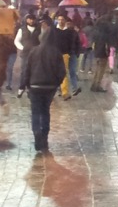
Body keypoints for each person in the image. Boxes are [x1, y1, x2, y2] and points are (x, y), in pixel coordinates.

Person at [17, 15, 66, 153]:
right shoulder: (56, 52)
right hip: (49, 87)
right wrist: (56, 83)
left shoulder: (34, 51)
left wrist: (25, 85)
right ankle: (44, 137)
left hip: (35, 86)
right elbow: (62, 72)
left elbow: (27, 69)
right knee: (45, 112)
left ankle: (37, 135)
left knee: (35, 113)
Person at [54, 12, 83, 100]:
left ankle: (71, 89)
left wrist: (77, 52)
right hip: (59, 54)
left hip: (70, 54)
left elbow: (77, 42)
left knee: (71, 72)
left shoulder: (71, 32)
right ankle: (61, 90)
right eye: (59, 19)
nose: (60, 21)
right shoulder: (54, 30)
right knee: (61, 73)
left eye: (62, 19)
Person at [89, 15, 116, 93]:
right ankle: (97, 86)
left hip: (97, 52)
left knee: (97, 69)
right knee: (101, 70)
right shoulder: (105, 34)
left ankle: (94, 84)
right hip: (103, 53)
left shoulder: (95, 32)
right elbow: (107, 44)